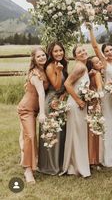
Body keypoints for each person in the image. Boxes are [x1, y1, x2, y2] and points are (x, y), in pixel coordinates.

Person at [87, 25, 112, 167]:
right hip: (108, 97)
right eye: (106, 51)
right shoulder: (105, 64)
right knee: (109, 123)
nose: (109, 53)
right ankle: (108, 157)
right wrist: (90, 30)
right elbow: (95, 47)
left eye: (110, 50)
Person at [18, 47, 48, 183]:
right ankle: (28, 170)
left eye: (43, 55)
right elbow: (41, 93)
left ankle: (25, 156)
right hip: (26, 109)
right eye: (38, 56)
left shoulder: (45, 70)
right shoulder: (36, 73)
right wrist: (42, 113)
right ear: (34, 59)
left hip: (34, 109)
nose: (42, 57)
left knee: (25, 136)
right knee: (30, 136)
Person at [38, 42, 68, 175]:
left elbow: (64, 85)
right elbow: (56, 86)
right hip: (51, 102)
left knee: (60, 133)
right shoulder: (51, 67)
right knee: (52, 133)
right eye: (55, 51)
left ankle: (59, 163)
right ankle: (49, 166)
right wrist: (58, 71)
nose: (59, 53)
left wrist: (66, 93)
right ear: (51, 53)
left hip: (60, 100)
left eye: (60, 50)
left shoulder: (62, 64)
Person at [61, 44, 90, 177]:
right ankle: (78, 167)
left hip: (80, 104)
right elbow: (67, 83)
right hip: (76, 104)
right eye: (79, 52)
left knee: (78, 134)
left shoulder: (83, 67)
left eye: (84, 50)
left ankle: (74, 166)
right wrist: (78, 100)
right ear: (75, 56)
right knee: (77, 134)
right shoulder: (80, 67)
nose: (83, 52)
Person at [86, 56, 104, 167]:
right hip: (95, 103)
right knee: (95, 129)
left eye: (99, 61)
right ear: (92, 66)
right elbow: (99, 88)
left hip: (91, 102)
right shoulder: (96, 74)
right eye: (97, 62)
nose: (100, 63)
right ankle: (94, 158)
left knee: (92, 129)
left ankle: (92, 157)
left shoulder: (93, 73)